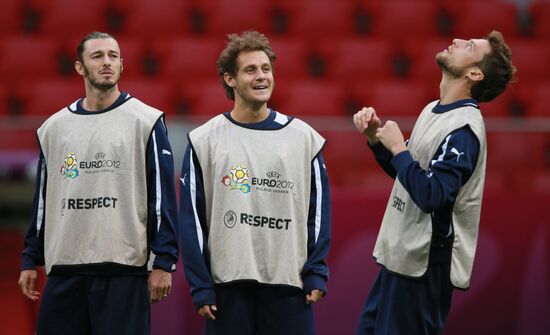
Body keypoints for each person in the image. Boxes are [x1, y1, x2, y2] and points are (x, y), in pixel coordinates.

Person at [353, 30, 516, 334]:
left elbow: (433, 195)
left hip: (424, 266)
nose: (456, 41)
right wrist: (377, 142)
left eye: (469, 46)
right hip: (400, 257)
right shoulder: (432, 109)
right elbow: (411, 179)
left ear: (475, 73)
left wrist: (399, 149)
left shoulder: (464, 129)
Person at [17, 31, 179, 335]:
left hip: (123, 273)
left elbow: (162, 197)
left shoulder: (146, 121)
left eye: (113, 56)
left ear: (122, 64)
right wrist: (30, 257)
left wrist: (164, 262)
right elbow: (43, 200)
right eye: (97, 56)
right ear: (80, 67)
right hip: (65, 272)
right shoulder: (54, 128)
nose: (107, 62)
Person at [179, 30, 331, 335]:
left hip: (289, 287)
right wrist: (201, 286)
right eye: (250, 70)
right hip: (227, 291)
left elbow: (318, 213)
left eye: (266, 69)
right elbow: (192, 220)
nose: (261, 76)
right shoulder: (204, 140)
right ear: (230, 79)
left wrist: (315, 271)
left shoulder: (304, 138)